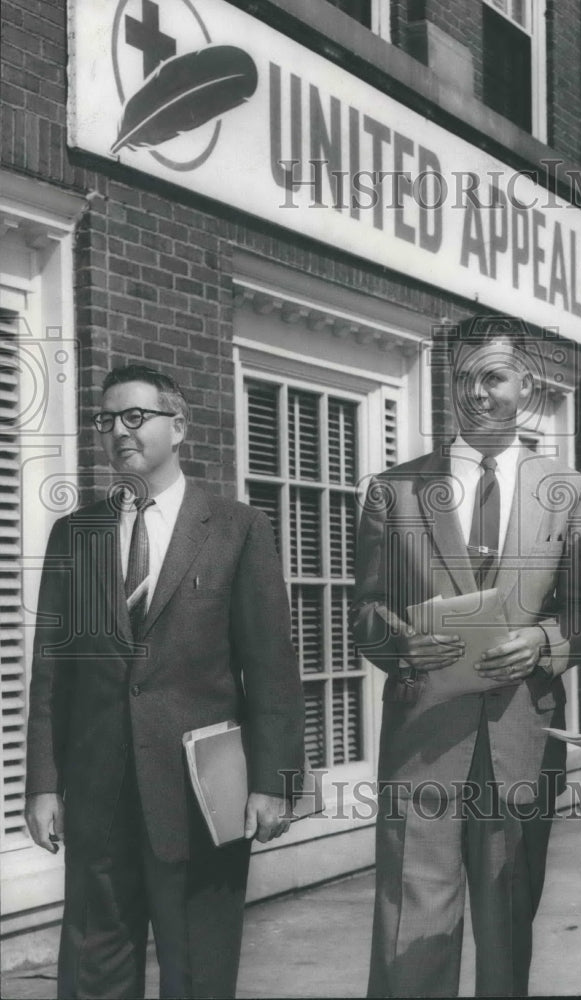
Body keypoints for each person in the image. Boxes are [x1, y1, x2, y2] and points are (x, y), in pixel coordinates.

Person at [25, 364, 304, 999]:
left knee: (199, 973)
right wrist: (43, 784)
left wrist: (275, 783)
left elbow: (271, 669)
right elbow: (52, 677)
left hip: (202, 795)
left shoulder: (237, 529)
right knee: (93, 973)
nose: (118, 432)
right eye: (106, 420)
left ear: (178, 426)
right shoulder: (77, 535)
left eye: (135, 416)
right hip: (98, 797)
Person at [352, 316, 581, 997]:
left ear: (527, 383)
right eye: (461, 379)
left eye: (491, 376)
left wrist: (542, 643)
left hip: (520, 740)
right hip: (423, 742)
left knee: (507, 934)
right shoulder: (394, 490)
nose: (475, 394)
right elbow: (363, 611)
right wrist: (399, 644)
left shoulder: (569, 492)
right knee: (410, 935)